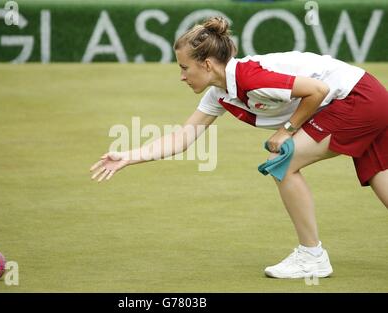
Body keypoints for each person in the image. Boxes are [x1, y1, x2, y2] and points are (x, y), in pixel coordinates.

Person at [90, 17, 388, 279]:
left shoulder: (249, 75)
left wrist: (287, 131)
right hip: (370, 96)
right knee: (379, 174)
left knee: (282, 162)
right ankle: (311, 257)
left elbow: (317, 90)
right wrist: (128, 156)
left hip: (357, 98)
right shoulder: (219, 94)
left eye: (184, 67)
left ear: (206, 65)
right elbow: (182, 138)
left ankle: (312, 258)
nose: (181, 76)